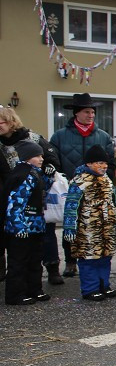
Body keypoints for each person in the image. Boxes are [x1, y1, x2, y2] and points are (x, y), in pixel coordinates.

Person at [0, 107, 61, 285]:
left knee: (45, 233)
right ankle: (15, 276)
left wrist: (49, 168)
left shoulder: (33, 138)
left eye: (1, 122)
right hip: (11, 195)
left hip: (36, 193)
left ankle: (52, 268)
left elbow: (51, 159)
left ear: (11, 121)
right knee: (14, 236)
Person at [63, 145, 116, 301]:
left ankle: (103, 285)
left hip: (106, 228)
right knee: (89, 259)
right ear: (89, 163)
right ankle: (90, 289)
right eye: (99, 162)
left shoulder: (106, 179)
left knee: (105, 257)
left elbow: (114, 201)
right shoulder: (79, 181)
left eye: (105, 163)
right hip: (87, 229)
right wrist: (69, 228)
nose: (104, 166)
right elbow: (71, 206)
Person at [3, 140, 53, 304]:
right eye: (37, 155)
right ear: (27, 157)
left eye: (42, 156)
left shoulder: (34, 173)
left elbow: (42, 189)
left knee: (34, 260)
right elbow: (15, 204)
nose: (41, 159)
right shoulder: (23, 175)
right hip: (22, 228)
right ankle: (15, 294)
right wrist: (18, 226)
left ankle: (34, 289)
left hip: (35, 226)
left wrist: (49, 175)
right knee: (19, 262)